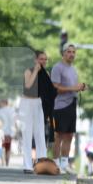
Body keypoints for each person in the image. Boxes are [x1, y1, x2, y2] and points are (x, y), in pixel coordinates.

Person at [50, 44, 87, 173]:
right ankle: (55, 163)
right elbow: (55, 88)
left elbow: (73, 87)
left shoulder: (73, 69)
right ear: (63, 54)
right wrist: (73, 88)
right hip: (60, 106)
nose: (71, 54)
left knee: (69, 136)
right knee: (58, 136)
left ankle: (64, 164)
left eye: (73, 52)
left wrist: (80, 87)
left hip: (72, 104)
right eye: (69, 52)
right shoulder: (57, 68)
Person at [21, 50, 49, 174]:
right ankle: (27, 165)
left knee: (40, 134)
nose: (43, 61)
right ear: (36, 60)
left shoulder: (46, 73)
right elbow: (28, 85)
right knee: (27, 134)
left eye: (45, 59)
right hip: (27, 103)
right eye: (41, 59)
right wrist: (36, 71)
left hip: (38, 103)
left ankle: (42, 164)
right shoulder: (28, 71)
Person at [0, 100, 16, 166]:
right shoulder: (12, 111)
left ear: (2, 103)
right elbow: (14, 121)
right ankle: (7, 162)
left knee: (1, 147)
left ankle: (2, 161)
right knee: (8, 148)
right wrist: (14, 131)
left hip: (0, 132)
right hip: (9, 133)